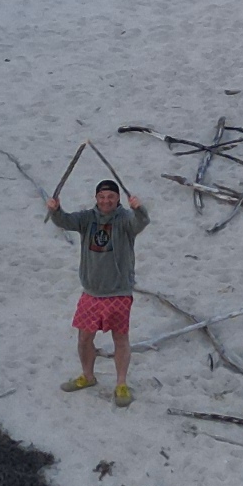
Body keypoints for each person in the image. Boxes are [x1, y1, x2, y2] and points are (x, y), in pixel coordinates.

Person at [46, 171, 150, 403]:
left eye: (111, 197)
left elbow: (140, 222)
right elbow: (64, 221)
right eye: (102, 197)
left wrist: (138, 209)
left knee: (120, 339)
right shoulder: (87, 218)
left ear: (117, 199)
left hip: (118, 291)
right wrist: (55, 210)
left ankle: (121, 384)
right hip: (91, 292)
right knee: (84, 338)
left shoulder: (124, 219)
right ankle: (87, 376)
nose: (106, 201)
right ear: (96, 198)